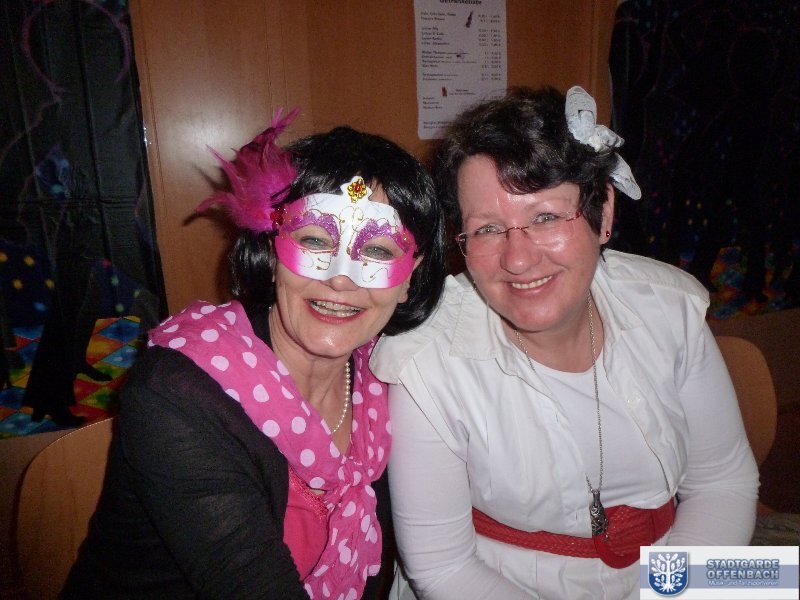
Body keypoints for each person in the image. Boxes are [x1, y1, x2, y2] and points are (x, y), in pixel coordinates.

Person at [369, 86, 759, 600]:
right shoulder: (425, 360)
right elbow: (442, 569)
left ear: (604, 213)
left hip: (672, 568)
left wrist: (672, 593)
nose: (518, 259)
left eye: (546, 218)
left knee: (773, 579)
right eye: (487, 229)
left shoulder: (668, 308)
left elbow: (722, 483)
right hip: (502, 584)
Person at [63, 111, 447, 599]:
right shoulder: (178, 395)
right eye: (315, 240)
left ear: (411, 276)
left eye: (377, 250)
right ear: (272, 250)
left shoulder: (385, 379)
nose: (340, 278)